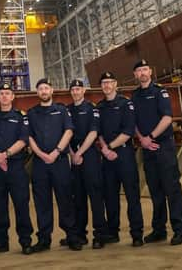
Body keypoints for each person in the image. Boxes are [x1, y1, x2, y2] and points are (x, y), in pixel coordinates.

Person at [132, 59, 182, 246]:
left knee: (172, 190)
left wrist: (151, 137)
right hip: (147, 149)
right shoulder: (135, 96)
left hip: (163, 147)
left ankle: (179, 230)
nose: (142, 73)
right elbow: (134, 123)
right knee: (155, 191)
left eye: (145, 69)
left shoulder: (160, 92)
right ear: (135, 75)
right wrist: (142, 139)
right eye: (139, 70)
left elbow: (167, 118)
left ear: (150, 72)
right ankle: (159, 230)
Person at [27, 78, 82, 252]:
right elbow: (29, 137)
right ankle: (44, 239)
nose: (43, 91)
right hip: (40, 163)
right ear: (37, 93)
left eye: (46, 88)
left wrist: (56, 152)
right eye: (40, 89)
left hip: (59, 162)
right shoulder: (31, 113)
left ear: (51, 91)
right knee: (42, 202)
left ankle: (72, 236)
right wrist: (42, 154)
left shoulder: (62, 110)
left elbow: (69, 131)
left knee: (65, 199)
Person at [0, 83, 34, 255]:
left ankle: (26, 241)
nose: (4, 96)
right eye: (1, 93)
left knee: (21, 205)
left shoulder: (21, 117)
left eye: (8, 93)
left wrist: (5, 154)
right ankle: (1, 241)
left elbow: (23, 139)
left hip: (16, 167)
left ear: (13, 97)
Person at [96, 71, 144, 247]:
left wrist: (110, 147)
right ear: (101, 86)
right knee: (110, 196)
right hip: (107, 157)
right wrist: (105, 149)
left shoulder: (126, 103)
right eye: (104, 83)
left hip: (124, 154)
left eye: (110, 82)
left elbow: (129, 130)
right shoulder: (99, 107)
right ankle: (113, 232)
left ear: (115, 84)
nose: (107, 85)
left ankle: (137, 233)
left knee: (132, 196)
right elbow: (98, 133)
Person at [67, 79, 107, 249]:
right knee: (78, 197)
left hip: (89, 155)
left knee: (95, 196)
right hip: (74, 156)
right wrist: (72, 154)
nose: (76, 92)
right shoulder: (67, 110)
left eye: (78, 89)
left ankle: (99, 235)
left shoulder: (92, 108)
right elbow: (66, 133)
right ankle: (80, 234)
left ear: (83, 91)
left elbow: (93, 132)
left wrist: (80, 153)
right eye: (73, 89)